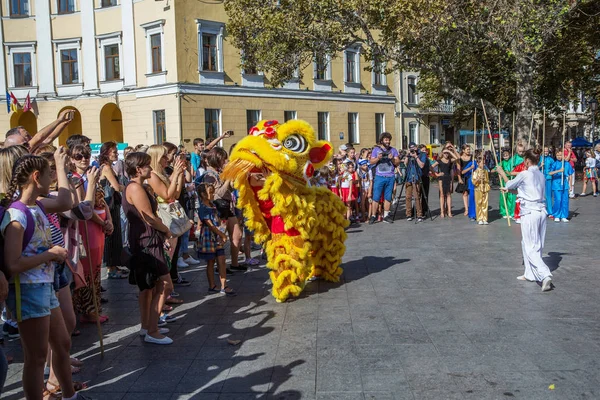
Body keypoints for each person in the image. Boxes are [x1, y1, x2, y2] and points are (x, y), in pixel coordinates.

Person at [1, 152, 94, 399]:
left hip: (45, 286)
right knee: (37, 356)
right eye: (48, 173)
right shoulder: (17, 215)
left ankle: (69, 395)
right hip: (28, 290)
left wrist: (62, 165)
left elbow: (65, 201)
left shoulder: (38, 205)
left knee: (62, 344)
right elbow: (12, 264)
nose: (51, 178)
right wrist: (50, 254)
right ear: (35, 176)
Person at [122, 152, 174, 345]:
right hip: (146, 241)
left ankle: (147, 326)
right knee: (164, 284)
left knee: (148, 288)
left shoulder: (137, 186)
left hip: (144, 239)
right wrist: (166, 231)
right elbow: (148, 216)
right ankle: (153, 330)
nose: (151, 169)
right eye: (147, 166)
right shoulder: (135, 188)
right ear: (138, 169)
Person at [497, 149, 553, 292]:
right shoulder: (540, 175)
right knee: (535, 244)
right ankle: (530, 273)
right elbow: (527, 191)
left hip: (530, 212)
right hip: (541, 211)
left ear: (527, 161)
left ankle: (544, 274)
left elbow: (510, 183)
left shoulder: (525, 173)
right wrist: (510, 191)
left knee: (530, 246)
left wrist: (502, 172)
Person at [70, 145, 112, 324]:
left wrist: (109, 220)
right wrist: (102, 221)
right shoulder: (75, 180)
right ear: (72, 159)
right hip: (87, 228)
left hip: (100, 227)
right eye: (78, 156)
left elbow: (103, 201)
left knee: (95, 270)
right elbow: (84, 207)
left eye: (86, 155)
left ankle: (93, 306)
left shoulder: (91, 174)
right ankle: (87, 309)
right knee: (88, 271)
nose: (83, 159)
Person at [202, 147, 245, 271]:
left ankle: (235, 263)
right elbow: (217, 194)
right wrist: (227, 180)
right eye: (223, 159)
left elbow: (229, 189)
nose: (225, 161)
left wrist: (232, 180)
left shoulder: (220, 171)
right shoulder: (209, 174)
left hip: (227, 207)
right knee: (221, 238)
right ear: (217, 159)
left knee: (237, 234)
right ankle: (220, 266)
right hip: (218, 208)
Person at [196, 183, 235, 295]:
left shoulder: (213, 205)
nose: (213, 194)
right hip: (209, 236)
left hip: (216, 235)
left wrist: (222, 228)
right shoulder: (203, 208)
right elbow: (209, 224)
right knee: (211, 261)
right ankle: (212, 285)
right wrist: (222, 235)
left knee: (222, 260)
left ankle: (224, 285)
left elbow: (216, 221)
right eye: (210, 192)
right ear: (203, 194)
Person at [98, 142, 126, 279]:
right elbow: (115, 186)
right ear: (107, 153)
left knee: (115, 235)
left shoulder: (106, 166)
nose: (116, 154)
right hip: (110, 204)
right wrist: (129, 188)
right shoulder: (107, 167)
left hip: (111, 203)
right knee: (112, 235)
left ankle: (114, 265)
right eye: (114, 152)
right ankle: (111, 268)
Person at [368, 132, 400, 224]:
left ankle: (386, 215)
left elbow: (397, 162)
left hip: (390, 176)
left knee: (388, 197)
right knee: (376, 197)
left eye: (389, 140)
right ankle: (373, 216)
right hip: (379, 176)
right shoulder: (376, 150)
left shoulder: (393, 150)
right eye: (386, 139)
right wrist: (378, 158)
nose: (388, 141)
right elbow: (371, 162)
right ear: (382, 140)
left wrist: (392, 159)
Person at [549, 149, 574, 222]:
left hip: (564, 184)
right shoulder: (555, 164)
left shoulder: (566, 164)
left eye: (560, 155)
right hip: (556, 184)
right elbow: (550, 173)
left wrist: (570, 185)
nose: (559, 157)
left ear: (563, 155)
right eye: (557, 155)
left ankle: (564, 215)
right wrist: (559, 171)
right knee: (558, 200)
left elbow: (570, 174)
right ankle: (556, 214)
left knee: (565, 200)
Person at [437, 145, 457, 218]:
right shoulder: (439, 160)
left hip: (448, 178)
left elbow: (457, 158)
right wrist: (436, 174)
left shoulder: (450, 160)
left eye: (447, 153)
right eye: (445, 153)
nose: (446, 154)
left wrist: (449, 151)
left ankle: (449, 211)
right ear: (442, 153)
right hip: (441, 179)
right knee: (442, 194)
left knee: (448, 194)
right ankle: (442, 211)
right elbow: (431, 167)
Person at [472, 155, 490, 225]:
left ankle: (484, 218)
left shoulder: (485, 171)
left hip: (485, 187)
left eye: (484, 163)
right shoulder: (475, 172)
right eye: (482, 163)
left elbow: (487, 180)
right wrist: (478, 179)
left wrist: (485, 180)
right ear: (478, 163)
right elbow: (473, 181)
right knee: (479, 203)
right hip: (478, 188)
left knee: (485, 203)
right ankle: (479, 218)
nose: (483, 164)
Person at [458, 145, 472, 216]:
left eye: (469, 149)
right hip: (464, 177)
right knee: (465, 193)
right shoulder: (460, 158)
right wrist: (459, 178)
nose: (469, 151)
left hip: (471, 177)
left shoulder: (472, 157)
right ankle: (466, 209)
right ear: (463, 150)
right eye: (467, 149)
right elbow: (459, 170)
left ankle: (472, 208)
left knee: (472, 193)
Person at [540, 147, 554, 216]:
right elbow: (534, 167)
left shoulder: (551, 159)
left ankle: (550, 211)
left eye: (547, 151)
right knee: (540, 194)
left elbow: (553, 168)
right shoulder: (539, 159)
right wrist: (540, 165)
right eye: (544, 151)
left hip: (548, 178)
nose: (546, 152)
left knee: (548, 195)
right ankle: (542, 209)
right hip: (540, 178)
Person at [418, 144, 432, 215]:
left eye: (425, 150)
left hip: (426, 177)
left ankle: (424, 209)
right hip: (420, 177)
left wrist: (431, 172)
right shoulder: (418, 158)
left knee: (425, 194)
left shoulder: (427, 158)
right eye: (422, 151)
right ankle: (417, 209)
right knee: (418, 194)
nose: (424, 152)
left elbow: (430, 167)